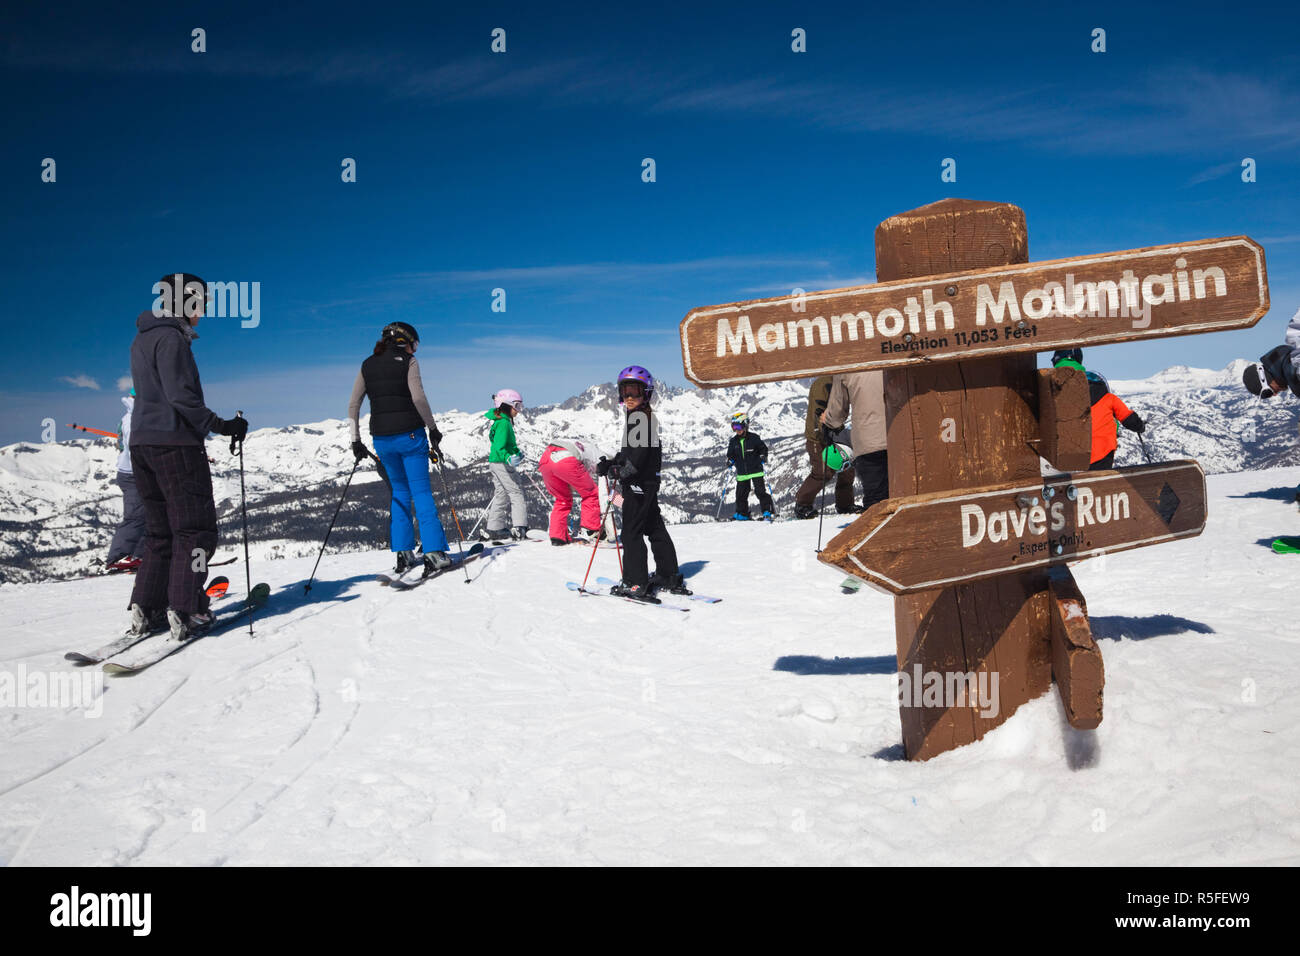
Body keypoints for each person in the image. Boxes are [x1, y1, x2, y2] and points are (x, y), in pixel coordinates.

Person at [125, 273, 248, 640]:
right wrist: (222, 425)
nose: (205, 308)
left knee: (160, 532)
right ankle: (187, 608)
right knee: (194, 530)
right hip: (175, 446)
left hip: (141, 445)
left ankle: (147, 608)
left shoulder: (142, 338)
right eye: (202, 302)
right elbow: (181, 397)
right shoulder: (172, 340)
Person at [348, 321, 452, 577]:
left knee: (399, 493)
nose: (414, 350)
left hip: (381, 439)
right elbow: (417, 397)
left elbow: (353, 404)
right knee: (421, 492)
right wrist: (433, 428)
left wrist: (355, 440)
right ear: (406, 341)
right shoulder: (409, 362)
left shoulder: (367, 364)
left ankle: (404, 553)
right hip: (410, 435)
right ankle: (434, 552)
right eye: (414, 344)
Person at [597, 365, 688, 601]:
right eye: (625, 392)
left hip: (638, 484)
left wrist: (620, 469)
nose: (629, 397)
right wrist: (612, 463)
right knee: (654, 527)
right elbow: (633, 452)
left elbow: (636, 460)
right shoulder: (641, 417)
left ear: (646, 393)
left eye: (635, 392)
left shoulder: (640, 418)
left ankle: (635, 582)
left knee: (631, 532)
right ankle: (668, 574)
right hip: (646, 483)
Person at [1051, 350, 1145, 470]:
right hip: (1101, 453)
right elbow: (1128, 418)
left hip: (1066, 456)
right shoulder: (1108, 398)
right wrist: (1140, 426)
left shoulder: (1052, 391)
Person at [820, 370, 888, 512]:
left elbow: (837, 411)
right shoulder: (895, 352)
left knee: (876, 503)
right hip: (904, 436)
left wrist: (828, 421)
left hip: (869, 441)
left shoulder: (849, 363)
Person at [793, 375, 855, 519]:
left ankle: (845, 505)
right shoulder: (824, 383)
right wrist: (821, 430)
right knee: (822, 472)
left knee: (847, 468)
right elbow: (817, 409)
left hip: (836, 432)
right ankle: (802, 505)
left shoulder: (841, 379)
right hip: (818, 437)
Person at [479, 389, 530, 541]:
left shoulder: (500, 421)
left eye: (520, 406)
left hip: (495, 462)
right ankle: (520, 527)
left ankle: (495, 528)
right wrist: (508, 458)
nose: (519, 410)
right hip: (501, 462)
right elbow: (499, 447)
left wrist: (516, 452)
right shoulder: (504, 424)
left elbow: (503, 444)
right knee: (516, 492)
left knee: (501, 493)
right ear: (506, 405)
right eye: (516, 406)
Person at [539, 437, 608, 545]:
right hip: (566, 459)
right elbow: (584, 484)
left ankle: (558, 537)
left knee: (562, 499)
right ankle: (592, 530)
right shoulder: (599, 457)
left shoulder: (586, 446)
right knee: (591, 493)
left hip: (545, 459)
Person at [106, 387, 145, 569]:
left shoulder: (131, 417)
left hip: (134, 472)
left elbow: (121, 445)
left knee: (153, 514)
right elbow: (134, 448)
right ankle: (120, 557)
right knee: (136, 516)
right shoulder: (134, 419)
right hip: (133, 474)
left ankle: (140, 555)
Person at [1242, 307, 1300, 400]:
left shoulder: (1296, 372)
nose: (1274, 395)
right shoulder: (1294, 333)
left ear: (1264, 379)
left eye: (1268, 392)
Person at [726, 412, 775, 520]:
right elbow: (731, 454)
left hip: (756, 470)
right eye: (734, 427)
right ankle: (742, 513)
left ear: (745, 425)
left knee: (760, 492)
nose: (736, 430)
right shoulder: (733, 441)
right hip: (742, 473)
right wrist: (730, 460)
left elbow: (763, 448)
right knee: (740, 494)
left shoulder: (754, 438)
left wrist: (763, 456)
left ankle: (767, 511)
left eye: (738, 426)